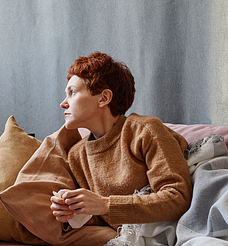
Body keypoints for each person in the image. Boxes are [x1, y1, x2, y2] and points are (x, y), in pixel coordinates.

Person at [50, 52, 192, 230]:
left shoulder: (145, 130)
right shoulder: (77, 155)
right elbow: (104, 219)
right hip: (133, 240)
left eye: (72, 92)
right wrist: (71, 213)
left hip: (177, 229)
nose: (63, 103)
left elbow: (177, 198)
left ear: (103, 98)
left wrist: (106, 205)